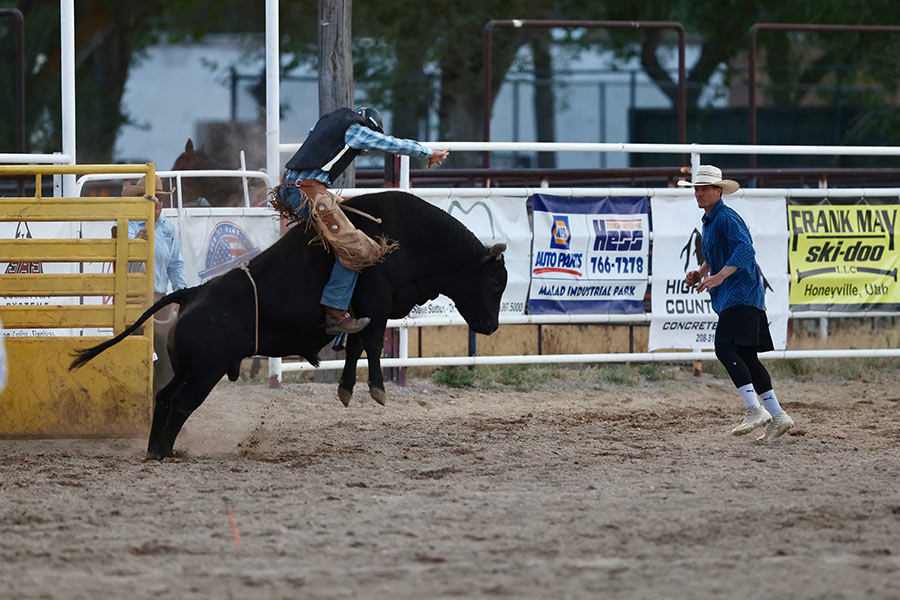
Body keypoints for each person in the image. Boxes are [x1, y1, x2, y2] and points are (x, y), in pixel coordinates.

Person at [275, 106, 450, 335]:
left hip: (289, 189)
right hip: (309, 193)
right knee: (356, 250)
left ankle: (326, 299)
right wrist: (428, 152)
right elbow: (390, 144)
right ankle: (335, 314)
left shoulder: (325, 124)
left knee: (330, 243)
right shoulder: (355, 129)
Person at [681, 165, 794, 443]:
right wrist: (702, 272)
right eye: (697, 189)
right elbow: (715, 255)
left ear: (719, 191)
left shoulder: (726, 218)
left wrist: (719, 276)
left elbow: (745, 250)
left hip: (740, 293)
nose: (699, 193)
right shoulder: (711, 220)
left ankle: (753, 410)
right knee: (745, 355)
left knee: (724, 347)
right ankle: (777, 415)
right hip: (742, 293)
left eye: (705, 189)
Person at [120, 175, 187, 397]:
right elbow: (120, 258)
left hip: (159, 299)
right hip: (131, 297)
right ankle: (131, 401)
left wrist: (181, 295)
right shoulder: (126, 225)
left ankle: (160, 404)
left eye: (160, 198)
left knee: (168, 356)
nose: (157, 203)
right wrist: (136, 244)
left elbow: (175, 266)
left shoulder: (168, 230)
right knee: (131, 355)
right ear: (140, 199)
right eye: (151, 198)